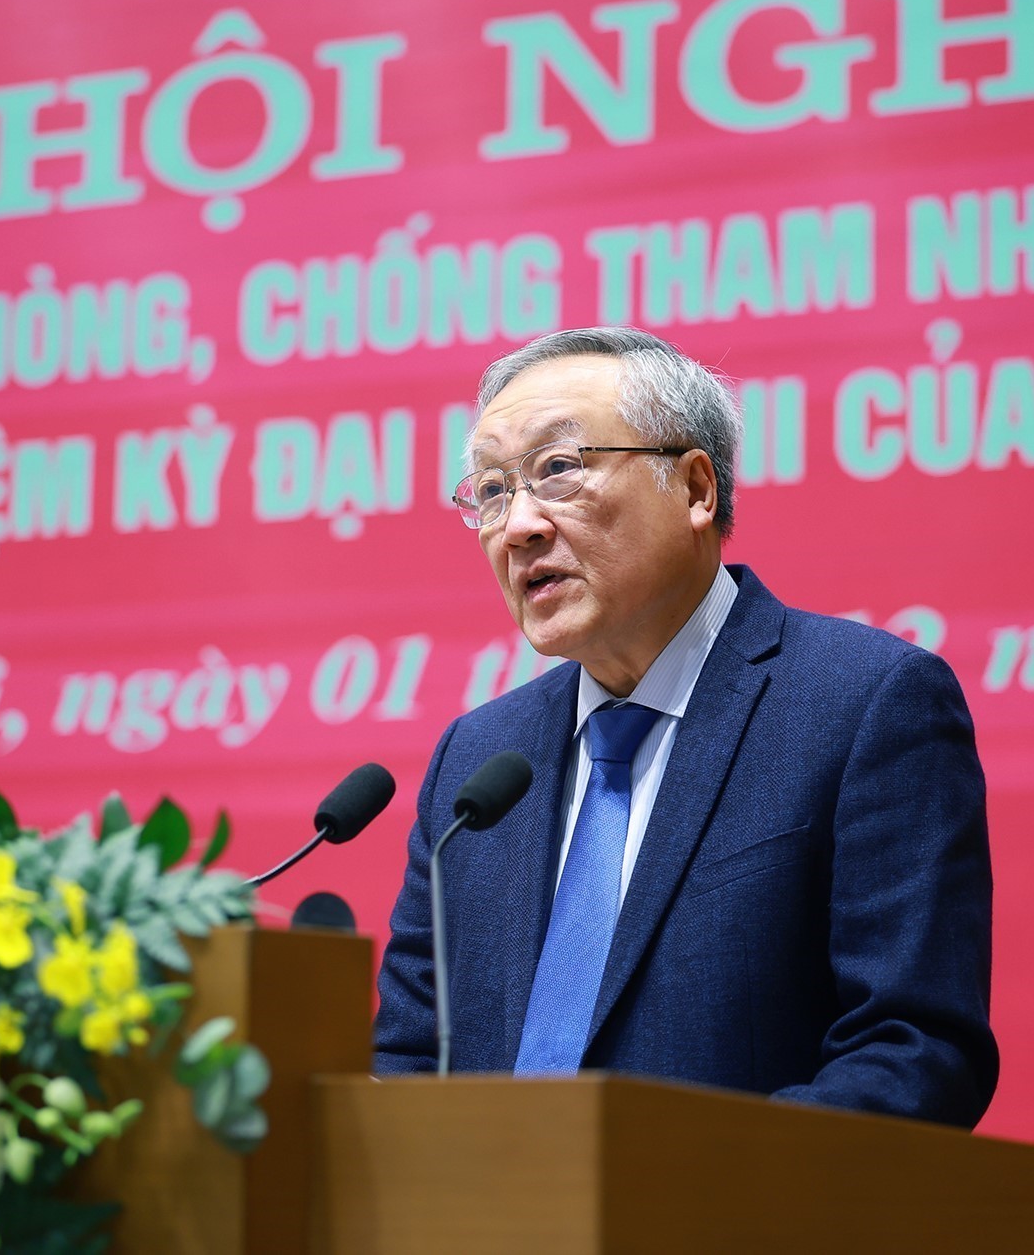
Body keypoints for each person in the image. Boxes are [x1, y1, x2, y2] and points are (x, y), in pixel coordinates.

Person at [372, 327, 998, 1128]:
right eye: (492, 489)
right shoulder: (478, 762)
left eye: (557, 469)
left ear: (697, 488)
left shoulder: (863, 704)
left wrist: (683, 1188)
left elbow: (914, 1051)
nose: (519, 524)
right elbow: (407, 1060)